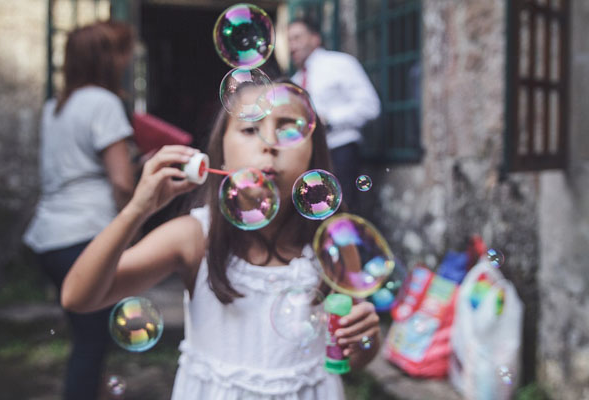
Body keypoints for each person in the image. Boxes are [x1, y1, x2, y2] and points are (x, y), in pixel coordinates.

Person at [60, 81, 381, 399]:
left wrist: (366, 340)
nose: (269, 143)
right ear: (221, 155)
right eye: (250, 129)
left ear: (313, 155)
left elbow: (347, 359)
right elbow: (79, 297)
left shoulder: (333, 242)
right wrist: (136, 211)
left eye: (287, 129)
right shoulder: (193, 237)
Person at [23, 21, 135, 400]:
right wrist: (132, 221)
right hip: (87, 235)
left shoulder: (54, 106)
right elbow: (121, 181)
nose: (127, 59)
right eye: (120, 52)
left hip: (49, 237)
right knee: (92, 343)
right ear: (104, 59)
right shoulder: (103, 103)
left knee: (86, 336)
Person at [288, 18, 381, 209]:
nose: (291, 46)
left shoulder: (340, 63)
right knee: (314, 211)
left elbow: (370, 106)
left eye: (297, 37)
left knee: (343, 209)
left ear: (315, 39)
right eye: (288, 40)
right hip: (308, 156)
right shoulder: (294, 81)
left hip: (341, 151)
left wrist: (329, 119)